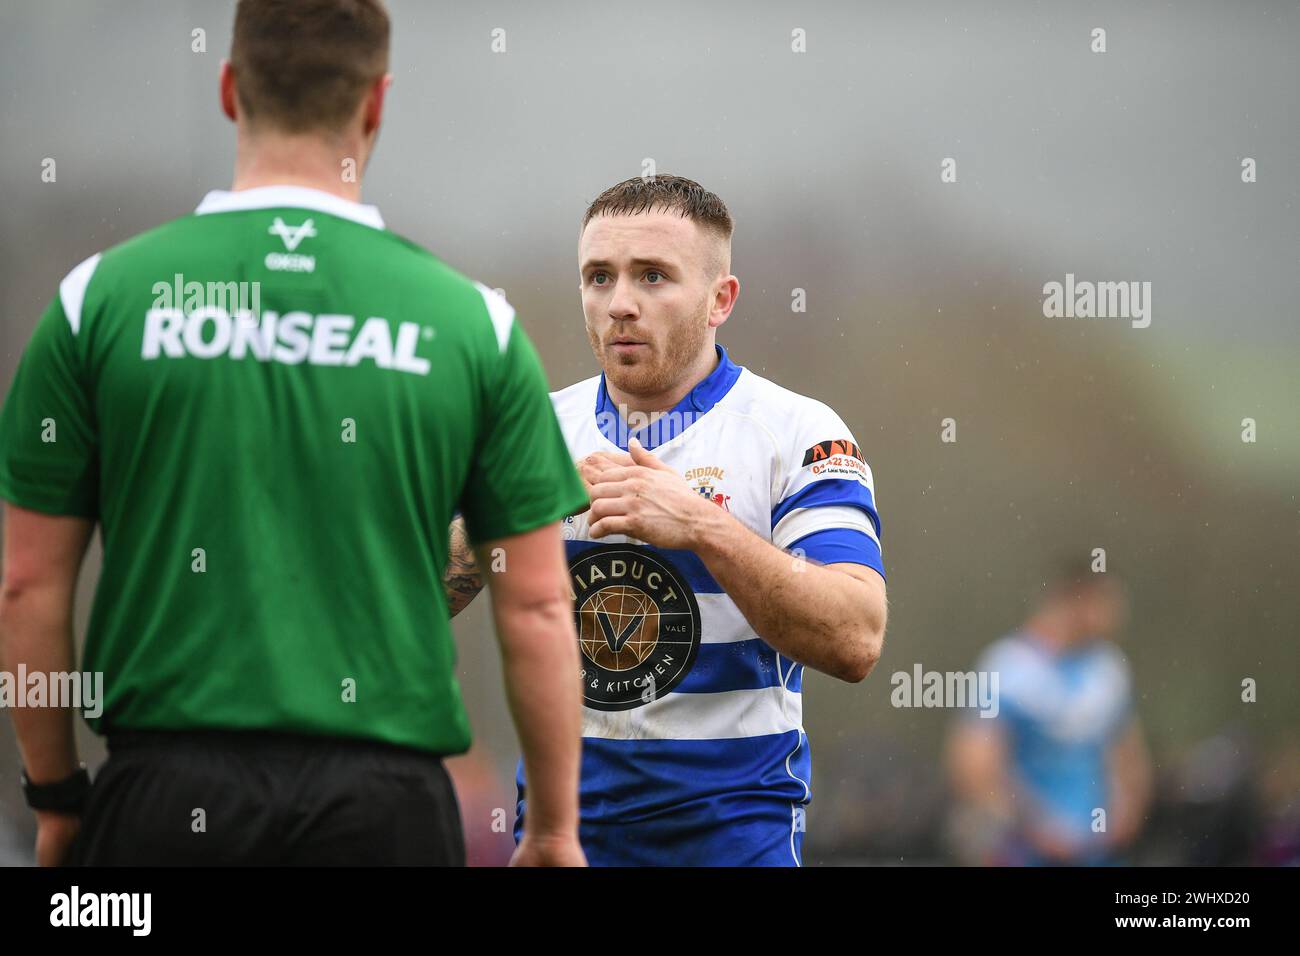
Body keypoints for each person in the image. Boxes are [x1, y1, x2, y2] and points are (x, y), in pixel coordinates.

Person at [0, 0, 587, 867]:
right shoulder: (476, 326)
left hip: (161, 799)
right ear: (377, 104)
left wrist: (56, 801)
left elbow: (25, 588)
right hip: (386, 810)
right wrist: (552, 832)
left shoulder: (99, 300)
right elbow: (536, 605)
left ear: (231, 89)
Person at [444, 174, 889, 866]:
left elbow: (856, 637)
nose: (620, 304)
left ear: (721, 300)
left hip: (734, 840)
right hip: (563, 841)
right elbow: (404, 605)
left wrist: (704, 528)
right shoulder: (529, 427)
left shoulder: (796, 432)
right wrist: (504, 519)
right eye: (599, 277)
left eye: (652, 277)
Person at [946, 561, 1153, 865]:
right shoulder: (1007, 667)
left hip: (1096, 852)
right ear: (1074, 600)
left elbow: (1129, 756)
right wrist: (1036, 828)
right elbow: (972, 767)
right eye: (1107, 603)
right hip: (1025, 853)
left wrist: (1126, 813)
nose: (1116, 617)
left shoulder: (1108, 668)